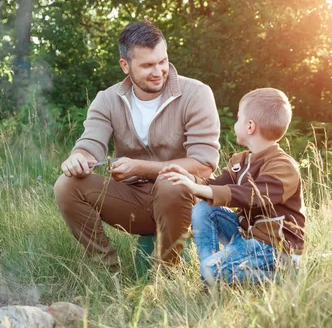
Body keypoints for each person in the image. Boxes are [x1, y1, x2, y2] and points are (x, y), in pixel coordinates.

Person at [53, 20, 221, 266]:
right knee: (66, 185)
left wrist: (140, 167)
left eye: (162, 61)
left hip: (186, 201)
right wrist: (78, 156)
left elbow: (204, 164)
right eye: (147, 65)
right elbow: (90, 143)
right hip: (134, 201)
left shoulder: (196, 93)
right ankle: (109, 271)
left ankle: (167, 272)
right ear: (125, 65)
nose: (158, 71)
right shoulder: (107, 100)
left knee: (170, 181)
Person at [161, 88, 305, 285]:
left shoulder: (283, 166)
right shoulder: (241, 161)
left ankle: (282, 278)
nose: (235, 123)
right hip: (247, 237)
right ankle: (210, 277)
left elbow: (251, 195)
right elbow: (217, 185)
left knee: (213, 270)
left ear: (250, 127)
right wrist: (190, 180)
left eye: (238, 118)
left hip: (275, 248)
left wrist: (199, 189)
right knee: (204, 209)